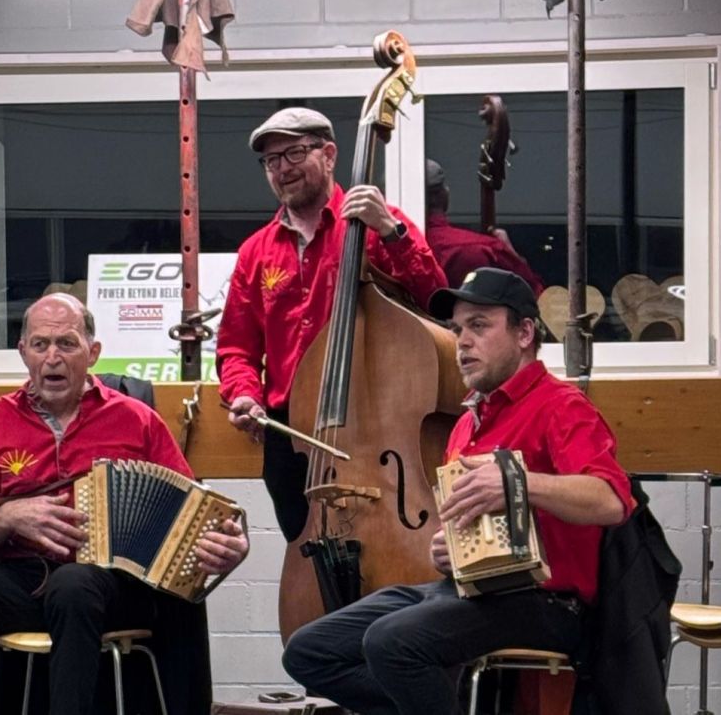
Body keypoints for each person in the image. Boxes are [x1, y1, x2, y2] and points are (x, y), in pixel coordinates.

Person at [281, 267, 635, 715]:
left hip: (547, 602)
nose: (462, 342)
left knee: (392, 642)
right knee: (308, 649)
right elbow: (466, 527)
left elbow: (611, 500)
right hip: (469, 590)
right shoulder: (467, 422)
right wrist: (446, 548)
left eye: (479, 326)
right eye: (457, 329)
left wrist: (517, 481)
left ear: (525, 333)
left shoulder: (562, 406)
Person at [0, 293, 248, 715]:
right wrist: (5, 517)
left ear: (92, 353)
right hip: (25, 580)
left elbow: (192, 513)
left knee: (73, 584)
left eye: (67, 344)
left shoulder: (137, 419)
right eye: (40, 344)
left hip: (112, 586)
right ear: (23, 352)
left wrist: (229, 545)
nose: (52, 357)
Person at [217, 107, 448, 542]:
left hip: (375, 425)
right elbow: (236, 348)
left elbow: (435, 299)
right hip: (291, 437)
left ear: (329, 155)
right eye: (271, 160)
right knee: (306, 555)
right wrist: (245, 394)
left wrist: (391, 231)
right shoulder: (255, 251)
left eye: (294, 153)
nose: (282, 169)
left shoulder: (377, 224)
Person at [423, 158, 545, 295]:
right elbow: (533, 295)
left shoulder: (405, 250)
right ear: (444, 195)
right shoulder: (483, 248)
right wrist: (512, 255)